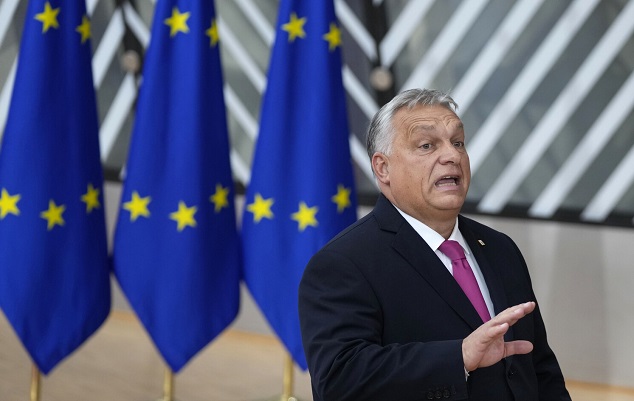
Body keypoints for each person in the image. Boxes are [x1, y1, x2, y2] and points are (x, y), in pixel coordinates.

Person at [298, 88, 571, 401]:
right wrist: (458, 358)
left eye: (458, 142)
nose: (452, 156)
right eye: (427, 145)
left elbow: (540, 368)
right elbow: (339, 380)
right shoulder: (343, 263)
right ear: (383, 168)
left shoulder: (500, 248)